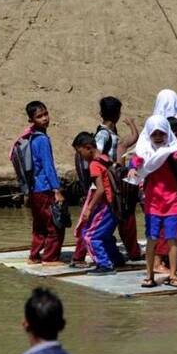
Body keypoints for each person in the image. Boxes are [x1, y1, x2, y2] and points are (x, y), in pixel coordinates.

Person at [72, 97, 141, 267]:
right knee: (96, 227)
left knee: (93, 230)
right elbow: (99, 163)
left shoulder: (103, 144)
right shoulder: (103, 137)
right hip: (106, 190)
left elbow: (98, 167)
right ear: (117, 114)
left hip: (106, 192)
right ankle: (81, 256)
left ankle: (105, 262)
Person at [129, 115, 177, 288]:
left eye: (162, 133)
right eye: (155, 134)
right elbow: (136, 160)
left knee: (172, 239)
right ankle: (149, 274)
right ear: (149, 134)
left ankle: (174, 274)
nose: (159, 137)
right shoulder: (144, 150)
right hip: (153, 202)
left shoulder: (172, 149)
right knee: (152, 239)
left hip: (171, 201)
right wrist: (132, 168)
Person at [72, 131, 124, 275]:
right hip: (114, 204)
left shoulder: (94, 165)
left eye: (79, 152)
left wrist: (89, 208)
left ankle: (104, 264)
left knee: (89, 235)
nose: (80, 156)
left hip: (106, 205)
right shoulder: (105, 158)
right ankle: (116, 258)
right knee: (104, 234)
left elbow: (100, 189)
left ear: (88, 147)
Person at [22, 101, 66, 266]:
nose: (45, 118)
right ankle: (50, 258)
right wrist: (57, 189)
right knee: (54, 224)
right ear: (31, 120)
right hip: (45, 188)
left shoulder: (31, 136)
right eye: (39, 116)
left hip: (34, 188)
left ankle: (34, 256)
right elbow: (48, 167)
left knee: (39, 225)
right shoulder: (42, 140)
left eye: (46, 114)